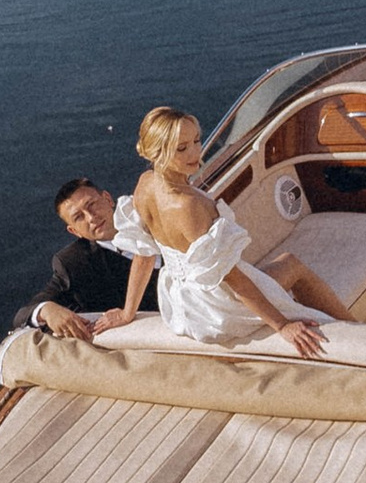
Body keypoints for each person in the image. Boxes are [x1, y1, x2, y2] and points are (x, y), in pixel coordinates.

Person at [112, 104, 328, 358]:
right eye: (181, 148)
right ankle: (361, 328)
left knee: (288, 264)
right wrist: (282, 325)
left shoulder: (145, 184)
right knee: (294, 271)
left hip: (179, 302)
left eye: (196, 140)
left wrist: (128, 312)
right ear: (157, 152)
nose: (195, 153)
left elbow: (144, 254)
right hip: (213, 307)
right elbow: (233, 280)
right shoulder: (189, 205)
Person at [17, 178, 138, 341]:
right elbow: (23, 314)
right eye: (79, 217)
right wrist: (47, 310)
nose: (91, 218)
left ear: (108, 199)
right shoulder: (74, 263)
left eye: (91, 205)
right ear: (74, 231)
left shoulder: (152, 220)